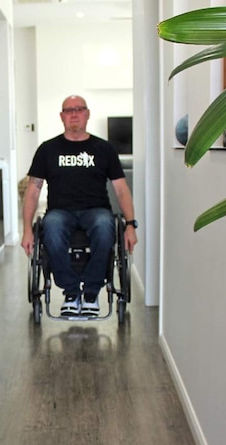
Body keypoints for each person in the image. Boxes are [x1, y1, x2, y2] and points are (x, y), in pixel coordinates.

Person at [21, 95, 138, 317]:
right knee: (51, 227)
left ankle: (92, 293)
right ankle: (72, 293)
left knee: (106, 227)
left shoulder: (104, 149)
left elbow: (121, 189)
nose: (74, 114)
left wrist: (130, 225)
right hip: (59, 211)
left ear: (87, 114)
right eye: (68, 110)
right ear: (61, 116)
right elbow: (33, 190)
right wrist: (27, 229)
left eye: (79, 109)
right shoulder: (47, 150)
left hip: (96, 210)